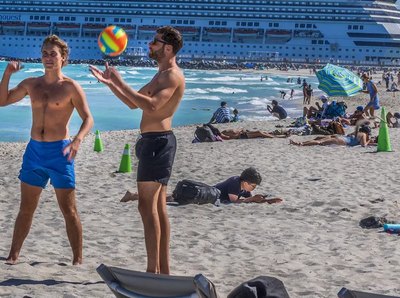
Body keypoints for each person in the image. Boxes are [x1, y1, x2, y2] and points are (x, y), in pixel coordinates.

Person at [90, 26, 185, 275]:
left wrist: (119, 80)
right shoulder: (160, 74)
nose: (149, 44)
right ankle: (162, 271)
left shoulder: (172, 76)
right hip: (154, 141)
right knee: (158, 208)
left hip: (158, 142)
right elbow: (133, 103)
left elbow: (152, 106)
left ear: (168, 48)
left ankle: (152, 272)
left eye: (155, 41)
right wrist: (110, 83)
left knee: (146, 207)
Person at [0, 35, 94, 265]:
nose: (48, 58)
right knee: (26, 208)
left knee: (68, 210)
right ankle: (13, 256)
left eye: (53, 54)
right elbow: (3, 101)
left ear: (63, 57)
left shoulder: (70, 87)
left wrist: (78, 140)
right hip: (34, 152)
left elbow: (88, 118)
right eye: (44, 53)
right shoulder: (31, 84)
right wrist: (7, 74)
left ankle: (77, 260)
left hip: (60, 153)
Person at [121, 167, 282, 205]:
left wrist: (264, 200)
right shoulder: (235, 182)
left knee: (169, 196)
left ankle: (134, 195)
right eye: (253, 186)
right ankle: (134, 195)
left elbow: (247, 198)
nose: (253, 188)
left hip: (206, 194)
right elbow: (234, 201)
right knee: (169, 198)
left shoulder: (242, 188)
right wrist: (252, 199)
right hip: (205, 194)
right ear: (245, 182)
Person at [289, 125, 377, 147]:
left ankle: (303, 142)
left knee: (319, 138)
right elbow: (363, 145)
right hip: (343, 141)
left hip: (340, 136)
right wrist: (369, 141)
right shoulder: (363, 134)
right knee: (320, 142)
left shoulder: (357, 132)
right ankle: (301, 144)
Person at [219, 128, 289, 140]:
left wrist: (242, 130)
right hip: (242, 135)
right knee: (260, 133)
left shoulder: (224, 131)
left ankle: (278, 136)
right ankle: (279, 137)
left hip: (243, 133)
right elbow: (231, 137)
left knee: (263, 133)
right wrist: (240, 133)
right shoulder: (222, 134)